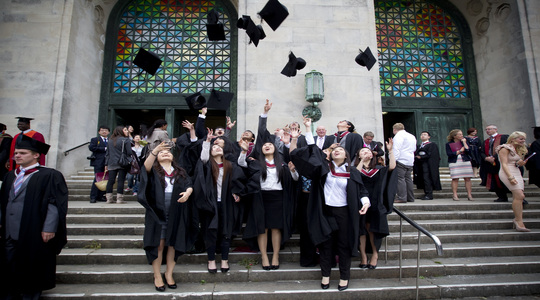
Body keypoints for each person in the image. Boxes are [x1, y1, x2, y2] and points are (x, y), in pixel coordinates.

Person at [290, 130, 370, 292]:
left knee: (344, 246)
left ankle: (344, 277)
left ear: (346, 155)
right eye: (334, 150)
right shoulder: (323, 170)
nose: (337, 151)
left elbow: (362, 191)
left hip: (344, 214)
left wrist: (366, 202)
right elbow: (312, 153)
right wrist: (307, 130)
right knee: (326, 245)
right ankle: (325, 275)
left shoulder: (352, 171)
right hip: (325, 212)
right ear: (330, 155)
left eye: (340, 150)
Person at [0, 135, 68, 300]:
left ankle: (31, 292)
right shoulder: (10, 176)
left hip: (34, 228)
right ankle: (10, 291)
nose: (17, 156)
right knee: (8, 261)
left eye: (22, 153)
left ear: (36, 155)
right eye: (16, 153)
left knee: (32, 261)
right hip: (9, 228)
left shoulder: (49, 175)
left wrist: (49, 227)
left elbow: (54, 204)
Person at [238, 99, 299, 271]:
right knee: (262, 228)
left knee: (276, 228)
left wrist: (293, 171)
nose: (266, 145)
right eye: (264, 144)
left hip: (278, 198)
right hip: (261, 197)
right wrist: (264, 114)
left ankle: (276, 256)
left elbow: (294, 181)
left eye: (270, 144)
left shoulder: (283, 165)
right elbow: (242, 164)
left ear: (275, 148)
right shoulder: (256, 163)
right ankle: (264, 256)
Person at [137, 141, 198, 292]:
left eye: (168, 152)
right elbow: (144, 169)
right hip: (157, 212)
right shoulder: (154, 171)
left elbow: (189, 184)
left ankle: (169, 273)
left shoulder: (180, 171)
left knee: (173, 243)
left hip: (177, 211)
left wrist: (188, 192)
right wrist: (155, 150)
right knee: (159, 243)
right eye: (162, 153)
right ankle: (157, 275)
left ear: (173, 157)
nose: (165, 153)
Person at [194, 128, 244, 274]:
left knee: (225, 231)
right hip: (210, 204)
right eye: (213, 147)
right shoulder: (207, 165)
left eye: (219, 147)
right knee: (210, 231)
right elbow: (203, 159)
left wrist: (237, 192)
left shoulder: (230, 165)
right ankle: (210, 260)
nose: (217, 148)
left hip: (226, 204)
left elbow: (238, 182)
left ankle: (224, 259)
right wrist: (207, 142)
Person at [355, 138, 396, 270]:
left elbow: (392, 167)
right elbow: (355, 174)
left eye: (368, 151)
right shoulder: (354, 168)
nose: (365, 152)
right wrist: (362, 160)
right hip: (359, 203)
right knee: (361, 230)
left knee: (373, 229)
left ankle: (375, 254)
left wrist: (390, 151)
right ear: (358, 155)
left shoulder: (379, 169)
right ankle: (363, 256)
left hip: (376, 203)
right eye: (362, 151)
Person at [495, 131, 530, 232]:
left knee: (518, 196)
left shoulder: (518, 148)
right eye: (520, 139)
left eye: (523, 139)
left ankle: (518, 219)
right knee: (520, 196)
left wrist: (520, 163)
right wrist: (510, 177)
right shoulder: (504, 148)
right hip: (507, 172)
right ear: (513, 139)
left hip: (516, 171)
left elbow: (515, 162)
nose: (523, 141)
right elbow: (504, 164)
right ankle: (518, 221)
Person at [480, 124, 509, 202]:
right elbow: (482, 151)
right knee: (495, 181)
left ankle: (519, 197)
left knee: (505, 180)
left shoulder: (503, 138)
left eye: (489, 129)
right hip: (490, 165)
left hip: (501, 163)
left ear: (495, 129)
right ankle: (501, 197)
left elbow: (504, 148)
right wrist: (486, 158)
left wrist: (494, 157)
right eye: (486, 129)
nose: (487, 131)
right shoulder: (486, 141)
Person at [105, 126, 132, 204]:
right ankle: (119, 199)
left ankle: (109, 198)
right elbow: (129, 152)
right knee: (121, 180)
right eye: (125, 130)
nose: (127, 131)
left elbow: (107, 153)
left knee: (111, 180)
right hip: (122, 162)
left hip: (111, 162)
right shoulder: (125, 140)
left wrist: (106, 164)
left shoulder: (110, 140)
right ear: (121, 131)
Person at [446, 129, 474, 201]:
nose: (462, 135)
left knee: (467, 178)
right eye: (460, 134)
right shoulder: (449, 144)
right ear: (455, 136)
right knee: (455, 178)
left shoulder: (465, 142)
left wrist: (464, 143)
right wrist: (459, 151)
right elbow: (449, 154)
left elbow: (469, 151)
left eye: (461, 134)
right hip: (455, 162)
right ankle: (455, 195)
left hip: (465, 161)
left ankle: (469, 194)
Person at [392, 123, 417, 203]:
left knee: (400, 179)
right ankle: (410, 197)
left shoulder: (398, 136)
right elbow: (414, 148)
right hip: (410, 159)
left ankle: (402, 197)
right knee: (408, 178)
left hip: (401, 159)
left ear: (394, 129)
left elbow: (396, 149)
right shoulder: (411, 136)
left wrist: (393, 160)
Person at [413, 131, 442, 200]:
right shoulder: (419, 146)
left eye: (425, 135)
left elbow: (433, 155)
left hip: (428, 165)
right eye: (422, 134)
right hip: (420, 165)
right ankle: (426, 193)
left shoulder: (432, 145)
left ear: (429, 137)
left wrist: (422, 157)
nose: (423, 136)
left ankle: (429, 194)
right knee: (422, 178)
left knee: (427, 178)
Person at [89, 125, 110, 203]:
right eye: (102, 130)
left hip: (108, 162)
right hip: (98, 162)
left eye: (106, 130)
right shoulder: (95, 139)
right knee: (98, 179)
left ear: (108, 132)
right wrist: (104, 149)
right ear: (99, 132)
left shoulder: (110, 140)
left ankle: (101, 196)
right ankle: (93, 196)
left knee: (105, 179)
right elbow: (92, 147)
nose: (104, 131)